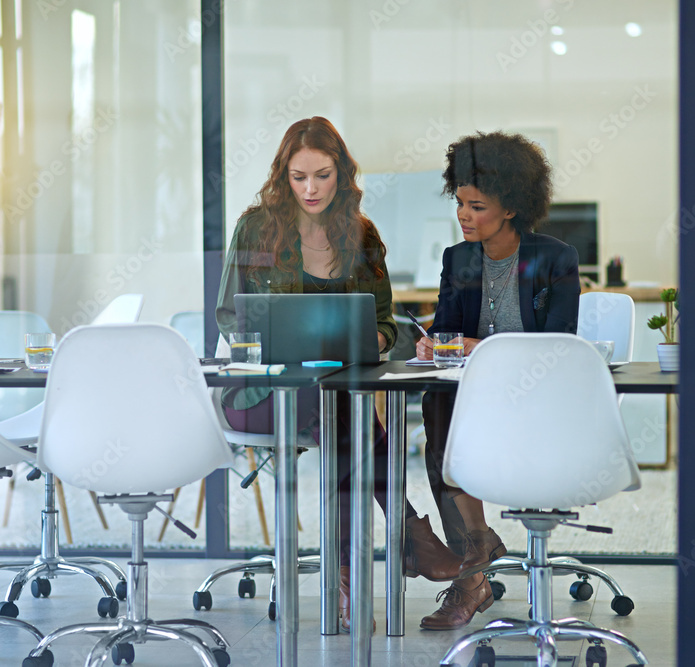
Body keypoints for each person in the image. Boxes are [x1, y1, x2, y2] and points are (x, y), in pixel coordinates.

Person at [216, 116, 461, 632]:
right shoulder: (255, 228)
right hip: (267, 391)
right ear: (283, 175)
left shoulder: (361, 234)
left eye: (322, 176)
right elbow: (229, 316)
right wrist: (265, 348)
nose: (310, 189)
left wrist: (373, 340)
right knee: (348, 420)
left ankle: (350, 579)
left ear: (341, 174)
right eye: (298, 176)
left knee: (343, 415)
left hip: (338, 396)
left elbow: (383, 321)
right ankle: (406, 535)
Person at [415, 131, 581, 630]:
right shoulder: (458, 259)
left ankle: (472, 569)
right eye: (460, 202)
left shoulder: (556, 258)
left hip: (535, 401)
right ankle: (476, 553)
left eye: (477, 205)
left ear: (511, 208)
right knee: (436, 409)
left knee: (447, 419)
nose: (463, 215)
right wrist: (432, 344)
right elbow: (447, 330)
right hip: (473, 398)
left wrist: (477, 347)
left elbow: (558, 344)